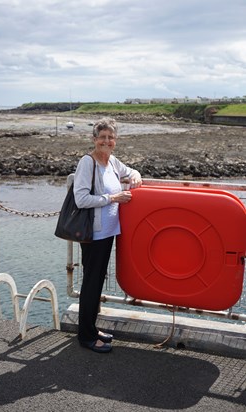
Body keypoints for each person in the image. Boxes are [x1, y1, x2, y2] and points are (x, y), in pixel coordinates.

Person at [73, 117, 142, 353]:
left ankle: (91, 328)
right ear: (94, 139)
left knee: (97, 281)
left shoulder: (112, 162)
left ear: (115, 140)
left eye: (110, 137)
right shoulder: (87, 163)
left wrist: (134, 175)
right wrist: (113, 198)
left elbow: (131, 170)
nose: (107, 141)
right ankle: (86, 337)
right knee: (92, 283)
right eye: (102, 137)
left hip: (108, 233)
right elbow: (81, 199)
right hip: (94, 234)